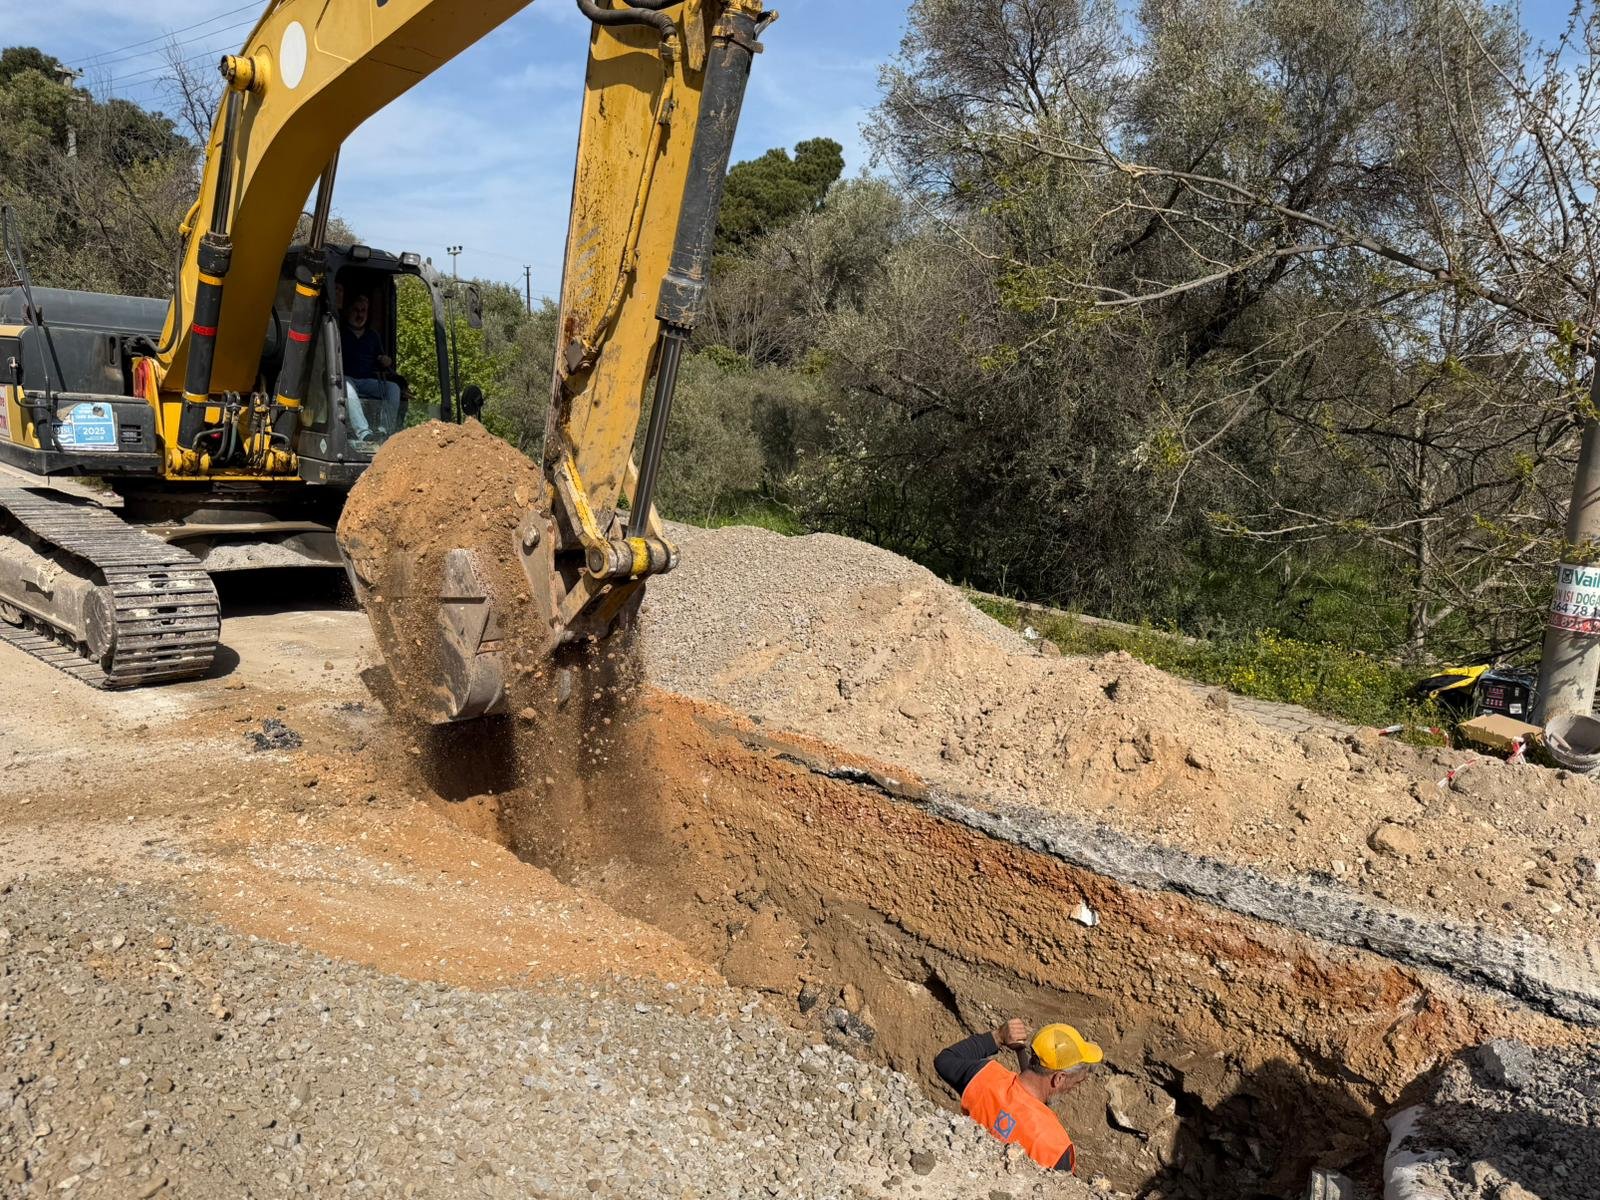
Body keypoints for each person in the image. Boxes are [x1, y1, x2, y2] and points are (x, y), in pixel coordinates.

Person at [935, 1017, 1102, 1174]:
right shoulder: (1055, 1145)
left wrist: (998, 1036)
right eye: (1077, 1082)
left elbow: (945, 1061)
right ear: (1059, 1078)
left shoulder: (985, 1077)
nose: (1074, 1087)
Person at [340, 292, 402, 437]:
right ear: (349, 311)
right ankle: (364, 432)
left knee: (394, 388)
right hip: (345, 379)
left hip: (366, 381)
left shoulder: (373, 336)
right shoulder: (340, 332)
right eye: (356, 310)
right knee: (347, 387)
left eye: (363, 311)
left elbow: (381, 357)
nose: (360, 315)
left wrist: (385, 360)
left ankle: (385, 431)